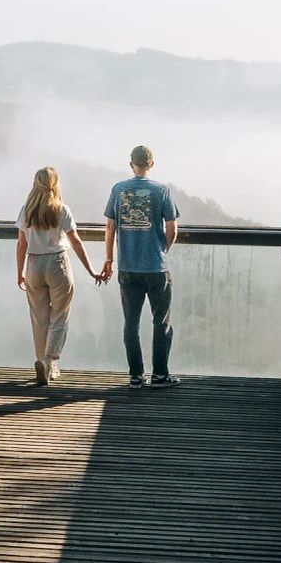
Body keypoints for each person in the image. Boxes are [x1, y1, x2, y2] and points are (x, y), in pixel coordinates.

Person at [99, 145, 181, 388]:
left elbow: (110, 227)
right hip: (156, 268)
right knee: (161, 322)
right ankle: (160, 376)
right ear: (151, 164)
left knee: (131, 323)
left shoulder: (118, 189)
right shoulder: (162, 190)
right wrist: (161, 251)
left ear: (131, 164)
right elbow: (172, 229)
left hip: (127, 267)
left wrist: (109, 259)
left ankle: (136, 376)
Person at [15, 166, 104, 387]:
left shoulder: (26, 210)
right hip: (58, 263)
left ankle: (40, 360)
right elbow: (75, 242)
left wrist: (19, 272)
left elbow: (21, 244)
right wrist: (91, 270)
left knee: (39, 316)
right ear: (55, 184)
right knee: (60, 315)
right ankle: (51, 361)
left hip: (33, 264)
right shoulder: (62, 210)